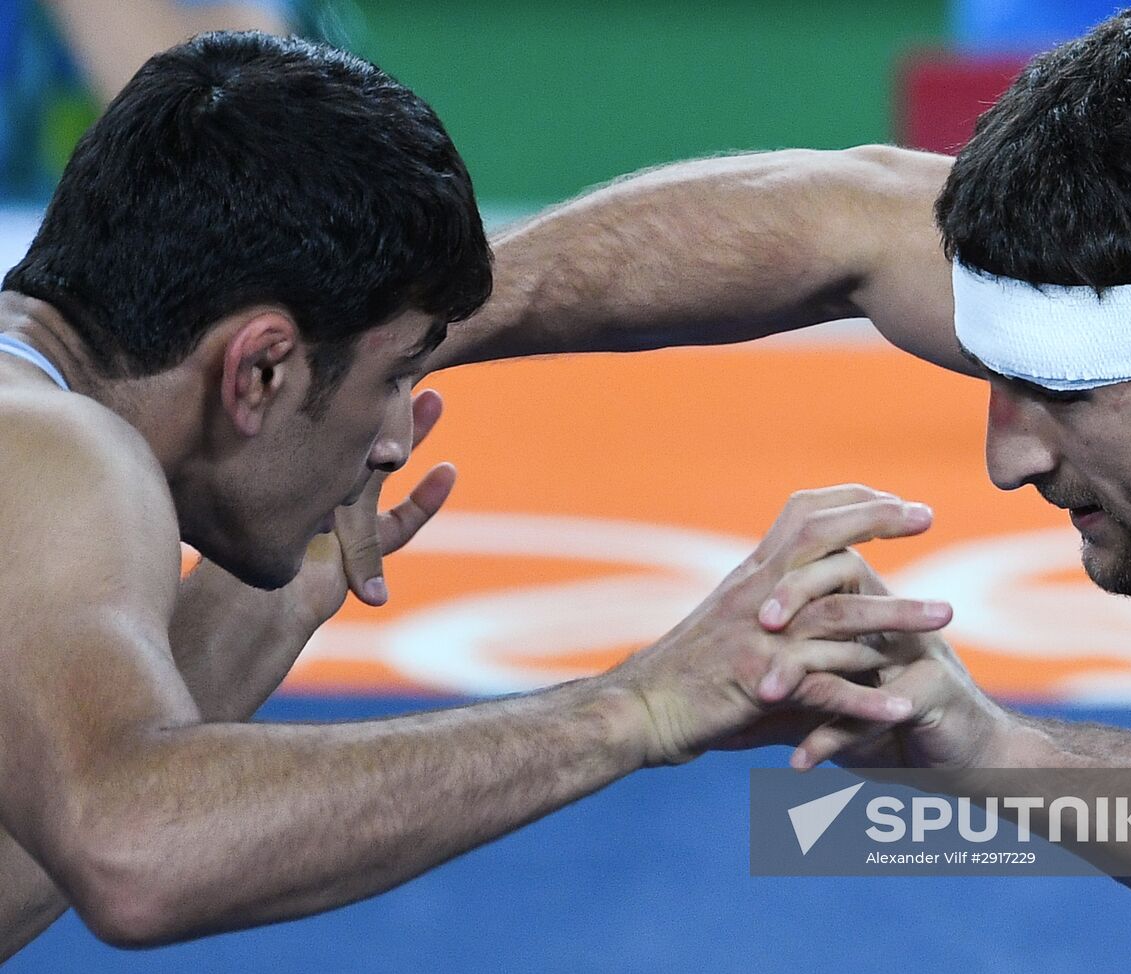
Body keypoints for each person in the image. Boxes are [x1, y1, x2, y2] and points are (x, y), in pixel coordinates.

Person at [398, 0, 1131, 946]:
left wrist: (997, 747)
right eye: (997, 376)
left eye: (1064, 395)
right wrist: (396, 348)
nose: (1007, 459)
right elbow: (835, 217)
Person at [0, 31, 953, 958]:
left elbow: (40, 849)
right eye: (395, 378)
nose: (394, 441)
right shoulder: (59, 451)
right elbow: (130, 854)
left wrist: (271, 588)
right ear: (258, 372)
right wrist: (639, 704)